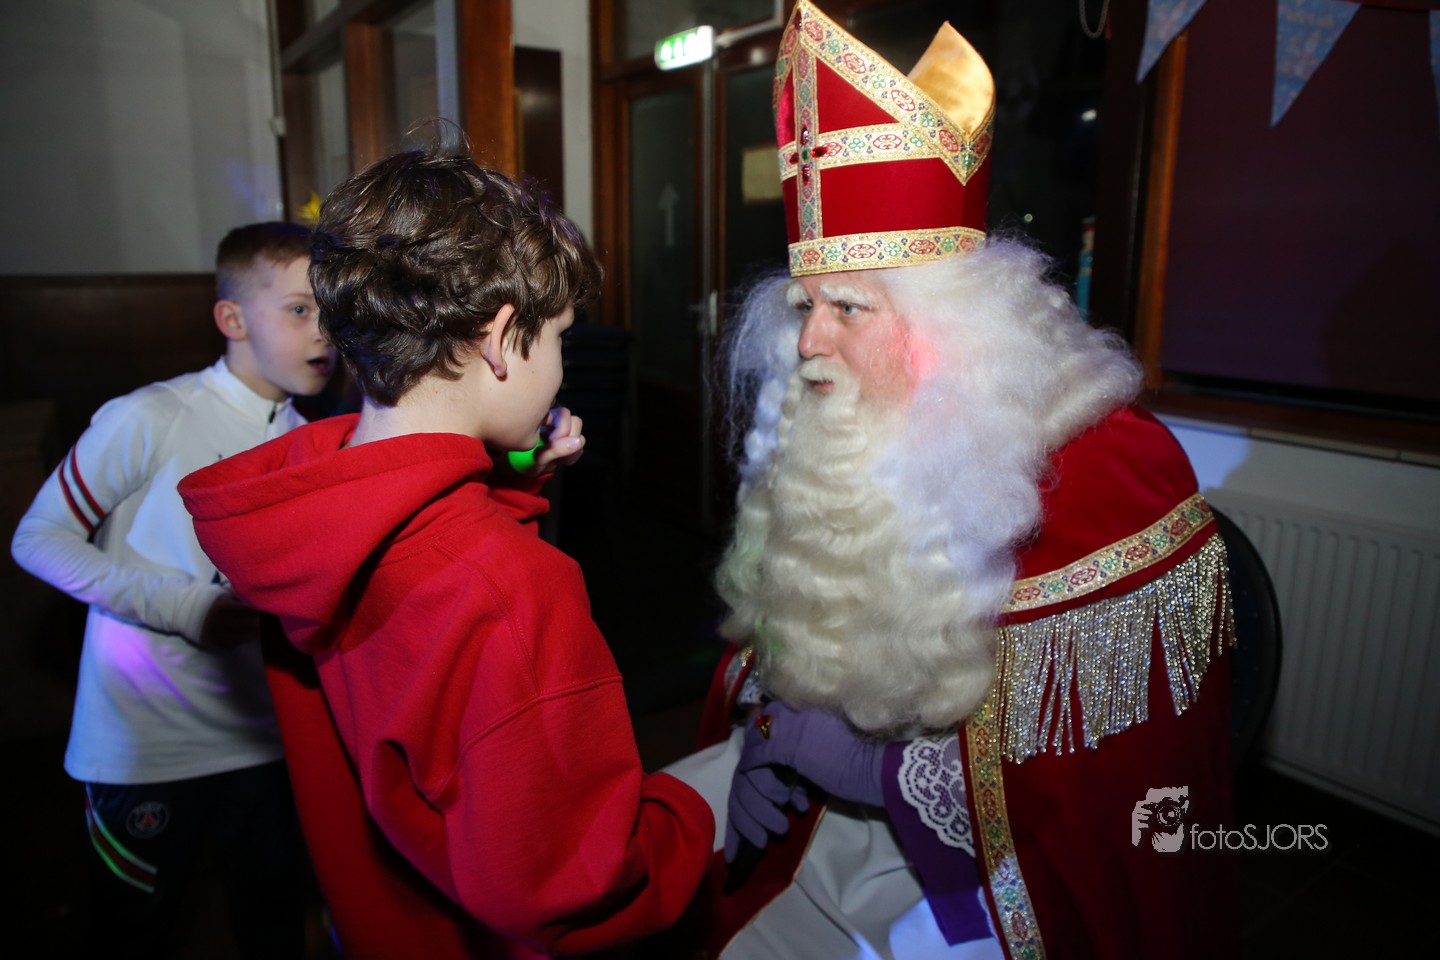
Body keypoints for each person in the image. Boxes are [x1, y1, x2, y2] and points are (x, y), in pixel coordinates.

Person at [647, 3, 1237, 958]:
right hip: (832, 832)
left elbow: (1106, 792)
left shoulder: (1104, 473)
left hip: (998, 894)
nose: (809, 341)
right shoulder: (840, 412)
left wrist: (882, 774)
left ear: (951, 329)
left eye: (847, 307)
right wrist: (768, 721)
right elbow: (796, 614)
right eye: (805, 304)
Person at [177, 147, 715, 959]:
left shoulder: (312, 506)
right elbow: (563, 889)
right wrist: (693, 815)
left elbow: (426, 624)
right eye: (559, 340)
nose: (560, 370)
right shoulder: (510, 588)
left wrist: (511, 484)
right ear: (499, 338)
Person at [10, 221, 333, 959]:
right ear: (232, 319)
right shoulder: (151, 416)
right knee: (134, 933)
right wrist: (185, 606)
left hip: (266, 739)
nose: (324, 332)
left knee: (273, 924)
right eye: (299, 309)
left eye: (331, 311)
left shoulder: (308, 439)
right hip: (149, 746)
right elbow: (37, 539)